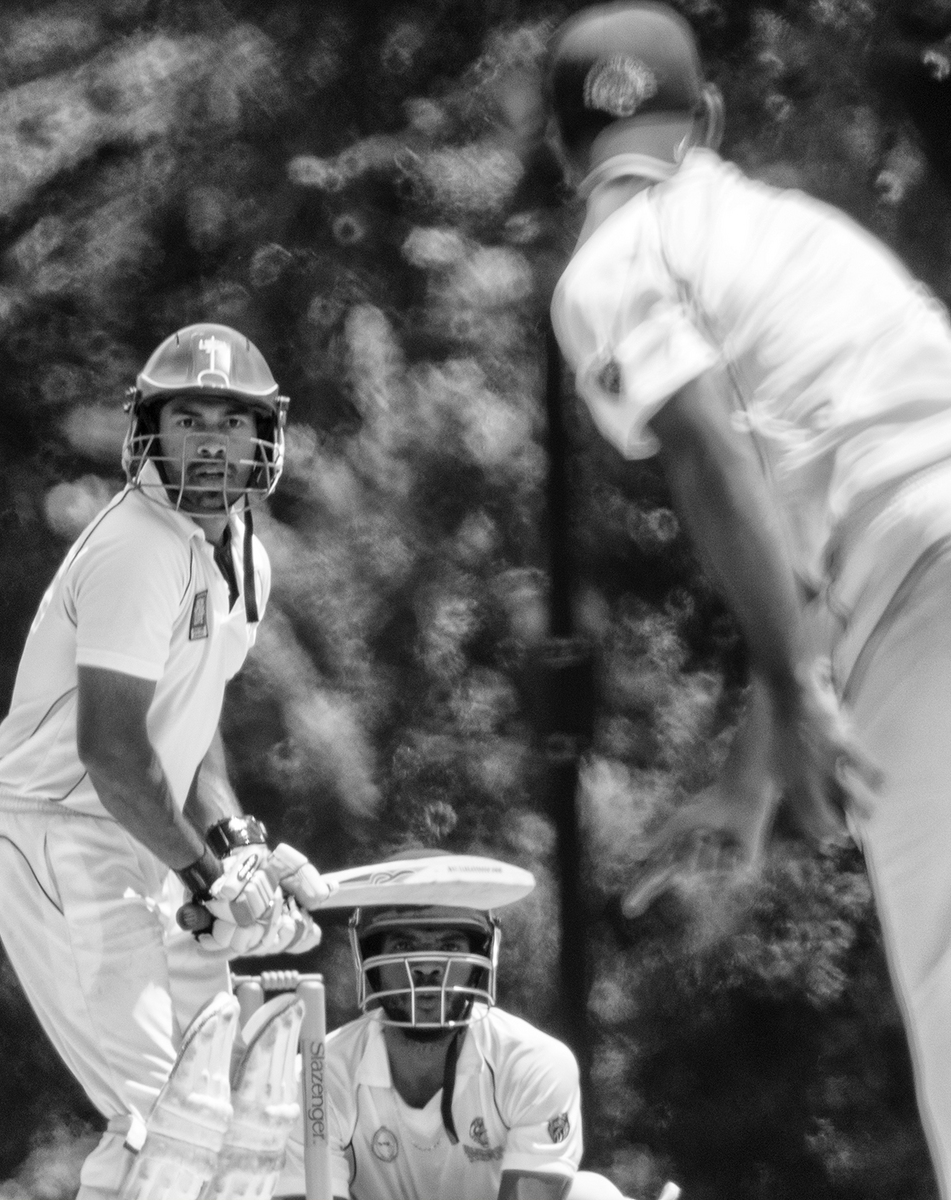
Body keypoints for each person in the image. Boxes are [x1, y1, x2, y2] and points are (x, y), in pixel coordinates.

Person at [544, 4, 951, 1194]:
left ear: (565, 155)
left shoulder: (611, 264)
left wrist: (790, 685)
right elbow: (820, 503)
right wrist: (751, 769)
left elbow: (710, 444)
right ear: (708, 120)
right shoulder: (801, 233)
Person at [0, 323, 333, 1200]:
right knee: (161, 1122)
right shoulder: (140, 546)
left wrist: (237, 841)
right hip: (58, 830)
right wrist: (209, 878)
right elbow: (112, 750)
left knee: (227, 1121)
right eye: (188, 419)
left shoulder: (243, 554)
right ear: (148, 432)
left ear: (264, 440)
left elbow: (188, 714)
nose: (209, 441)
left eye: (231, 421)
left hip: (139, 834)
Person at [274, 848, 641, 1200]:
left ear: (482, 956)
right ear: (370, 959)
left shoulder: (534, 1064)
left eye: (449, 945)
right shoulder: (315, 1078)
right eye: (403, 946)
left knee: (591, 1194)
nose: (428, 967)